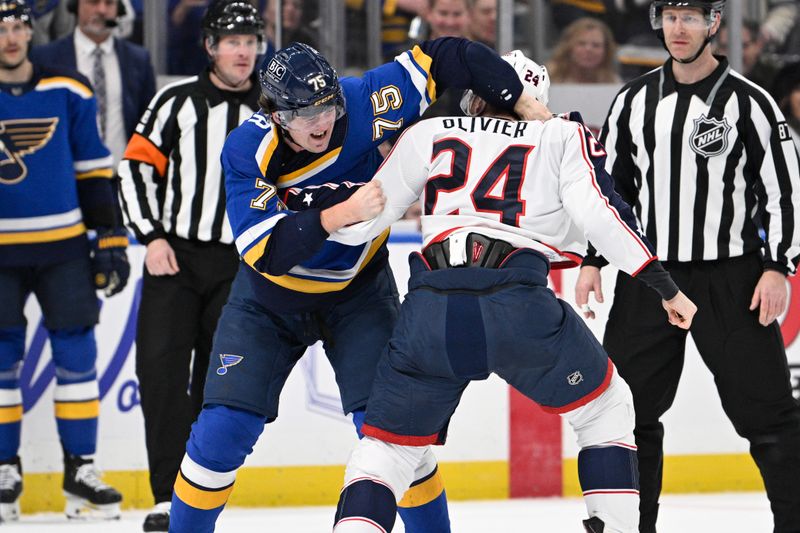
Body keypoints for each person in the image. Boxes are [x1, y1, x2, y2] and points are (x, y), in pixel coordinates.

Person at [168, 37, 549, 533]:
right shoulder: (246, 147)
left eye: (327, 106)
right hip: (268, 302)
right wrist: (342, 213)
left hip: (359, 295)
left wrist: (518, 99)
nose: (321, 122)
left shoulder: (368, 98)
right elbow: (267, 250)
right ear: (277, 115)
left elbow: (450, 54)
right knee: (222, 432)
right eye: (305, 115)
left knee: (395, 435)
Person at [327, 51, 696, 533]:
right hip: (517, 303)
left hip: (432, 307)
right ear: (537, 99)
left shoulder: (430, 132)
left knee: (388, 449)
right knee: (607, 408)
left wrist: (300, 228)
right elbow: (604, 216)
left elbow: (361, 217)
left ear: (476, 96)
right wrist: (664, 287)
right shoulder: (561, 134)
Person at [575, 1, 800, 532]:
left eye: (691, 17)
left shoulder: (753, 104)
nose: (679, 29)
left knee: (768, 418)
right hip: (651, 278)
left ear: (714, 24)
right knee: (628, 417)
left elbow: (783, 192)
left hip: (733, 279)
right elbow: (613, 191)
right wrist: (592, 259)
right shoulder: (633, 101)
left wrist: (777, 267)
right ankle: (635, 526)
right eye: (670, 16)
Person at [116, 1, 264, 531]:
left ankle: (195, 497)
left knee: (217, 388)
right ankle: (165, 494)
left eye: (250, 40)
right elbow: (134, 169)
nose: (243, 50)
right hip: (174, 259)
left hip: (241, 265)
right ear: (209, 47)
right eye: (232, 40)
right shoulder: (174, 101)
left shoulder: (274, 109)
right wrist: (151, 236)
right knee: (158, 374)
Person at [0, 0, 128, 522]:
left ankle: (81, 468)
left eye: (15, 27)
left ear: (30, 32)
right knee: (2, 359)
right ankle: (4, 468)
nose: (9, 38)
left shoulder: (69, 88)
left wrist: (111, 238)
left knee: (77, 356)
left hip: (64, 248)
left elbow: (94, 170)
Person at [31, 0, 156, 167]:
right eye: (93, 2)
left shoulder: (138, 59)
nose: (102, 10)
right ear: (75, 6)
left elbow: (149, 123)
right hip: (69, 178)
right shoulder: (45, 59)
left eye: (109, 3)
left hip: (122, 177)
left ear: (119, 10)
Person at [547, 17, 621, 84]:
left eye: (596, 45)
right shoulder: (548, 78)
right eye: (581, 44)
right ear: (568, 47)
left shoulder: (613, 83)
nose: (588, 49)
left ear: (606, 51)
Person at [714, 19, 778, 91]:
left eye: (743, 46)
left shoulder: (775, 80)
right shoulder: (711, 81)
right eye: (726, 47)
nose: (736, 55)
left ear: (758, 45)